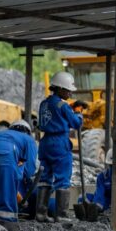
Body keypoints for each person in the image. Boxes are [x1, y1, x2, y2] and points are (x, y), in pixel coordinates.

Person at [36, 71, 84, 222]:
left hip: (45, 143)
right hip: (59, 143)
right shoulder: (63, 106)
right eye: (68, 90)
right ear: (60, 88)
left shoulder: (44, 103)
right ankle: (61, 215)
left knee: (45, 178)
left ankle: (41, 214)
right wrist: (78, 113)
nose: (70, 93)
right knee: (62, 179)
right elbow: (76, 123)